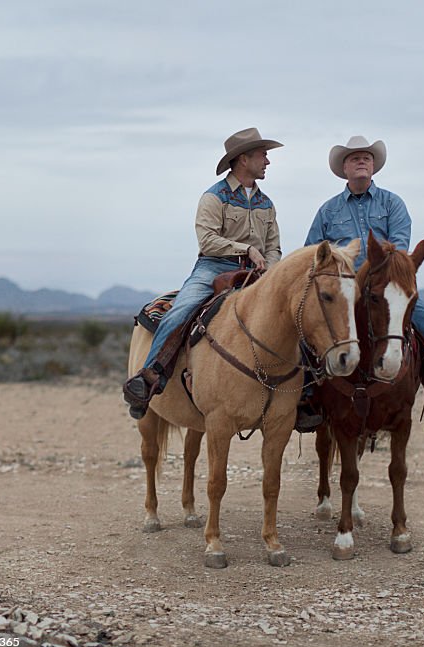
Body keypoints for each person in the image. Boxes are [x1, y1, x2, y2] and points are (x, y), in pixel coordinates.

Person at [123, 127, 322, 428]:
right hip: (213, 268)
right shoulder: (213, 197)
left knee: (295, 315)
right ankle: (150, 378)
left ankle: (303, 394)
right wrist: (246, 249)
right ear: (243, 159)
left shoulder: (266, 204)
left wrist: (269, 269)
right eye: (262, 155)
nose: (267, 161)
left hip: (259, 274)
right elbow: (207, 241)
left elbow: (274, 246)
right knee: (182, 310)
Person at [304, 136, 424, 424]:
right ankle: (307, 396)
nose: (362, 161)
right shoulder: (328, 211)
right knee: (309, 326)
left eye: (367, 157)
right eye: (355, 158)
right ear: (344, 167)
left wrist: (375, 271)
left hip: (384, 285)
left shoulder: (393, 203)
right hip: (345, 286)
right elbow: (313, 250)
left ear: (374, 166)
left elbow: (400, 247)